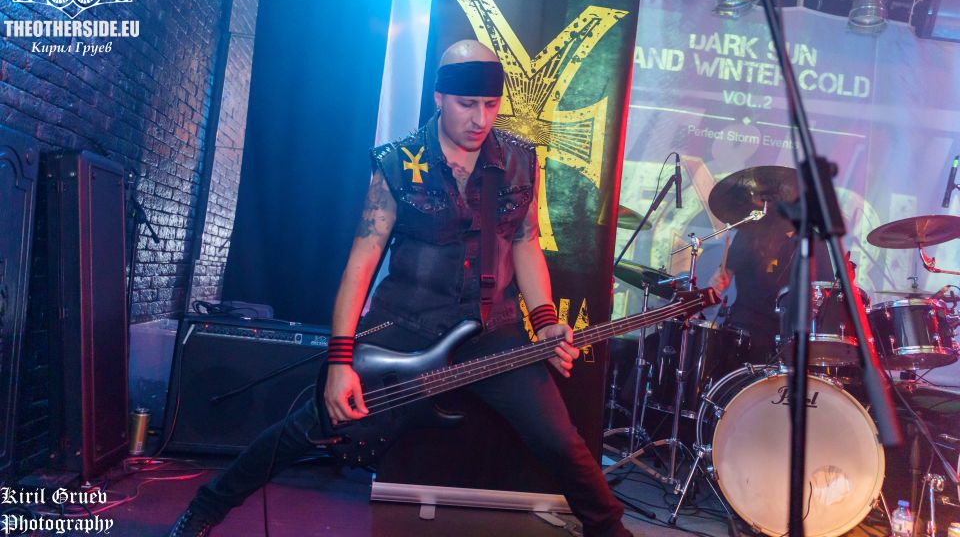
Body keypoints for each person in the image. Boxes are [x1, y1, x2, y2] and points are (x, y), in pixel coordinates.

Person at [167, 40, 633, 537]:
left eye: (491, 104)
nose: (480, 119)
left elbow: (525, 241)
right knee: (313, 424)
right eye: (467, 104)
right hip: (407, 325)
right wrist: (340, 362)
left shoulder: (519, 160)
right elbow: (361, 264)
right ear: (439, 97)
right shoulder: (397, 163)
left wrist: (544, 321)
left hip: (492, 329)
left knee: (560, 441)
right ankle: (207, 506)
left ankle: (610, 531)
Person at [710, 213, 834, 364]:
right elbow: (724, 274)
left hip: (791, 333)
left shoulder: (815, 241)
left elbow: (826, 289)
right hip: (749, 324)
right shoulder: (751, 232)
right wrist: (719, 281)